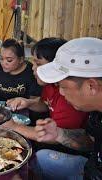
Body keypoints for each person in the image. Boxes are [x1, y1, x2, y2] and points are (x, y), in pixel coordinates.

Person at [33, 37, 102, 179]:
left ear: (92, 86)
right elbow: (91, 141)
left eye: (63, 87)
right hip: (89, 167)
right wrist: (59, 134)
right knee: (38, 158)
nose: (62, 93)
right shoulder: (96, 113)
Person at [1, 38, 88, 141]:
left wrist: (15, 127)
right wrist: (28, 103)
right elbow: (46, 104)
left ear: (55, 65)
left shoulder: (68, 94)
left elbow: (57, 138)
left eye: (38, 64)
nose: (33, 68)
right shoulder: (49, 84)